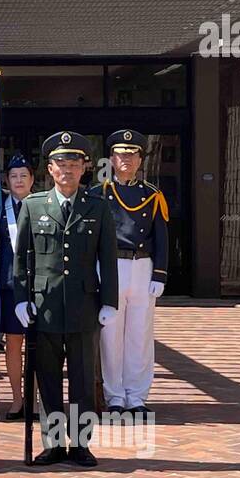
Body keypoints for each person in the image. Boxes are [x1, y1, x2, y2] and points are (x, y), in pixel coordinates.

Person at [13, 130, 118, 468]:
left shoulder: (98, 207)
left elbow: (108, 258)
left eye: (74, 162)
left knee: (83, 380)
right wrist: (20, 298)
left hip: (84, 307)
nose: (67, 169)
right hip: (43, 308)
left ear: (84, 167)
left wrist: (109, 302)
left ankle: (82, 444)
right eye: (61, 162)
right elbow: (21, 259)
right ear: (50, 168)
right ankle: (54, 443)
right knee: (47, 379)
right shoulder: (33, 205)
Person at [93, 129, 169, 416]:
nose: (126, 159)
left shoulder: (152, 195)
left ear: (140, 160)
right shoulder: (98, 193)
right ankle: (114, 397)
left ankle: (136, 397)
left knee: (140, 334)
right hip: (111, 267)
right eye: (121, 154)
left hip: (142, 266)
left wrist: (159, 274)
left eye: (132, 154)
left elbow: (161, 237)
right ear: (112, 159)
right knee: (110, 335)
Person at [0, 154, 35, 420]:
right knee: (13, 343)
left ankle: (36, 398)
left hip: (39, 287)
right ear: (7, 181)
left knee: (40, 345)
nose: (18, 180)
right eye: (13, 176)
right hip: (10, 286)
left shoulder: (43, 205)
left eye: (23, 175)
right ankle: (17, 398)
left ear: (32, 179)